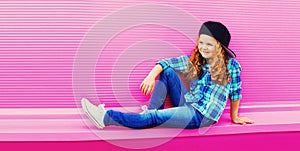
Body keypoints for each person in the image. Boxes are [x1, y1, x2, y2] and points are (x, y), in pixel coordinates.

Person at [81, 21, 254, 129]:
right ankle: (152, 111)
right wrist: (150, 76)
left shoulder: (231, 66)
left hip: (201, 116)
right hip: (190, 103)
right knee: (169, 71)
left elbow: (235, 93)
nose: (203, 47)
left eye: (209, 44)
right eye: (201, 42)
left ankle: (106, 118)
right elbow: (166, 62)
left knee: (154, 118)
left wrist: (235, 117)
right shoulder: (198, 60)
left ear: (220, 47)